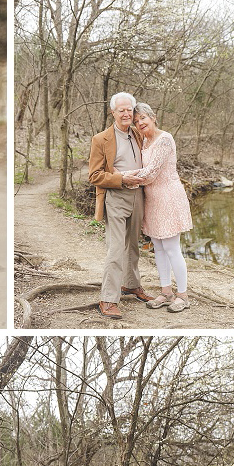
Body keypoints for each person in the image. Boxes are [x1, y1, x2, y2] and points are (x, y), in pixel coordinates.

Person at [122, 103, 193, 313]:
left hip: (168, 197)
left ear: (153, 117)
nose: (140, 123)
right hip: (151, 199)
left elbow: (151, 172)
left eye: (143, 118)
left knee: (172, 248)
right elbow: (146, 171)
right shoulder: (144, 140)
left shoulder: (165, 139)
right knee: (159, 249)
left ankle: (183, 296)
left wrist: (123, 178)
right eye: (136, 121)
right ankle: (166, 293)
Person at [88, 91, 152, 320]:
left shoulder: (137, 133)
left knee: (133, 246)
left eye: (129, 110)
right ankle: (108, 299)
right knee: (116, 249)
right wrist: (121, 179)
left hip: (138, 196)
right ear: (112, 112)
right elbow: (94, 175)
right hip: (115, 197)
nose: (126, 114)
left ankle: (132, 285)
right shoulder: (101, 139)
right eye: (121, 110)